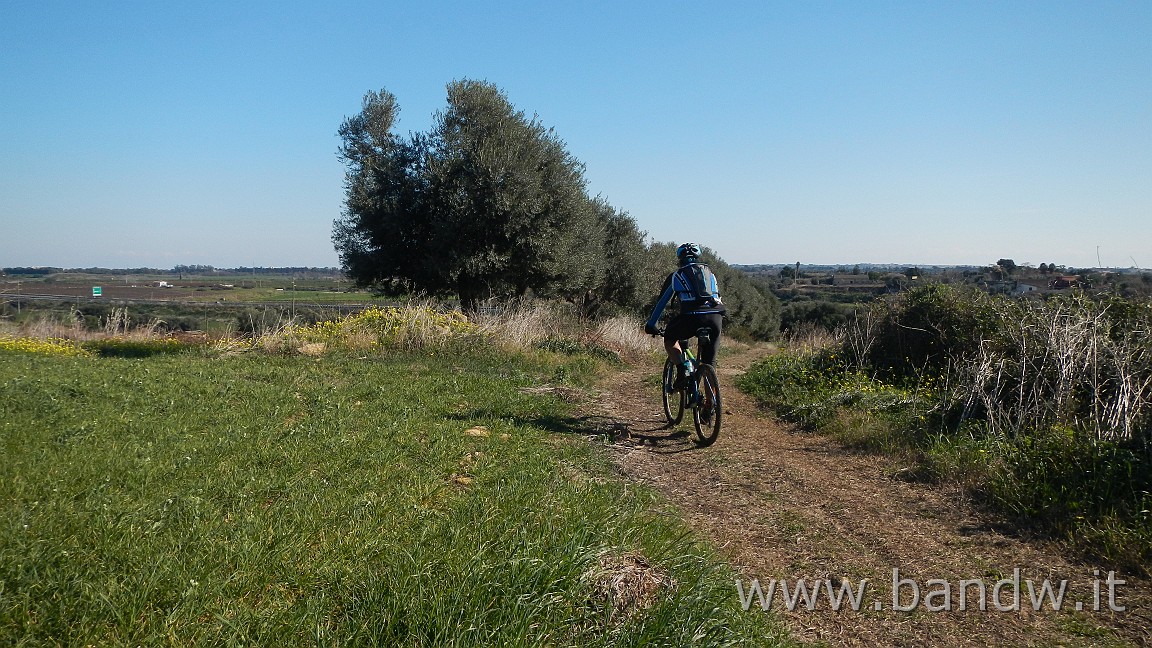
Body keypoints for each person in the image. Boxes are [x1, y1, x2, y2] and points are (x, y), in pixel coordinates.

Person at [643, 242, 726, 389]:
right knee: (709, 362)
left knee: (669, 339)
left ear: (679, 258)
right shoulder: (710, 274)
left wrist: (651, 324)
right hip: (715, 317)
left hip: (691, 317)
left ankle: (681, 370)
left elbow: (662, 302)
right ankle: (709, 404)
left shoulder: (677, 275)